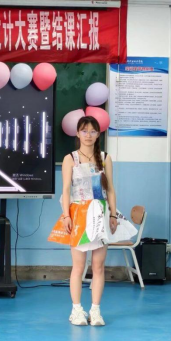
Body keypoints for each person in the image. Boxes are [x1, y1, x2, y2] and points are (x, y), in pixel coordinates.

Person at [60, 116, 117, 326]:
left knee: (99, 266)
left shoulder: (105, 158)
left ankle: (95, 310)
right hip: (78, 215)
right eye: (84, 131)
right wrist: (66, 215)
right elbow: (66, 190)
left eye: (93, 131)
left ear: (98, 134)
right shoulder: (70, 159)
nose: (88, 135)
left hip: (100, 215)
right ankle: (76, 310)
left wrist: (113, 214)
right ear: (77, 133)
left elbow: (110, 189)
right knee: (78, 266)